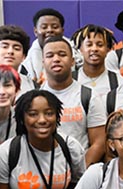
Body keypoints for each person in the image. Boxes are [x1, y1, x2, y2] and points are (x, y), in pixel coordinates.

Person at [40, 36, 108, 165]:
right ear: (43, 63)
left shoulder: (88, 95)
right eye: (50, 55)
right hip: (42, 173)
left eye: (62, 54)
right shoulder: (35, 97)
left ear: (72, 62)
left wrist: (80, 172)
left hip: (79, 175)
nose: (56, 59)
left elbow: (99, 142)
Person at [22, 8, 81, 85]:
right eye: (44, 27)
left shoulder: (78, 56)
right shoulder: (26, 64)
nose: (49, 30)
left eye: (55, 27)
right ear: (35, 31)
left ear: (62, 31)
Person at [71, 24, 123, 97]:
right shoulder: (70, 81)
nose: (94, 49)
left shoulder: (120, 82)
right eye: (89, 45)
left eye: (100, 45)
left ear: (108, 49)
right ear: (80, 49)